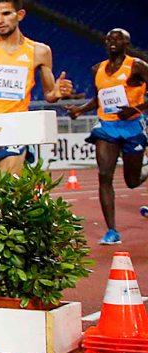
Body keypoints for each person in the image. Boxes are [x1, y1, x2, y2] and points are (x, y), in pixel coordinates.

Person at [0, 0, 72, 192]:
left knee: (6, 192)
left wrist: (57, 92)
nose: (0, 21)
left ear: (20, 15)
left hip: (15, 129)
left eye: (6, 14)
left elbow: (49, 94)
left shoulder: (39, 51)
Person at [67, 29, 148, 245]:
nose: (113, 41)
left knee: (131, 182)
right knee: (104, 175)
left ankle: (144, 170)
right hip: (106, 126)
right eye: (109, 38)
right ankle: (112, 231)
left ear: (127, 43)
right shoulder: (98, 69)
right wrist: (80, 110)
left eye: (118, 38)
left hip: (132, 126)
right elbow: (99, 98)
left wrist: (136, 109)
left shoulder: (137, 66)